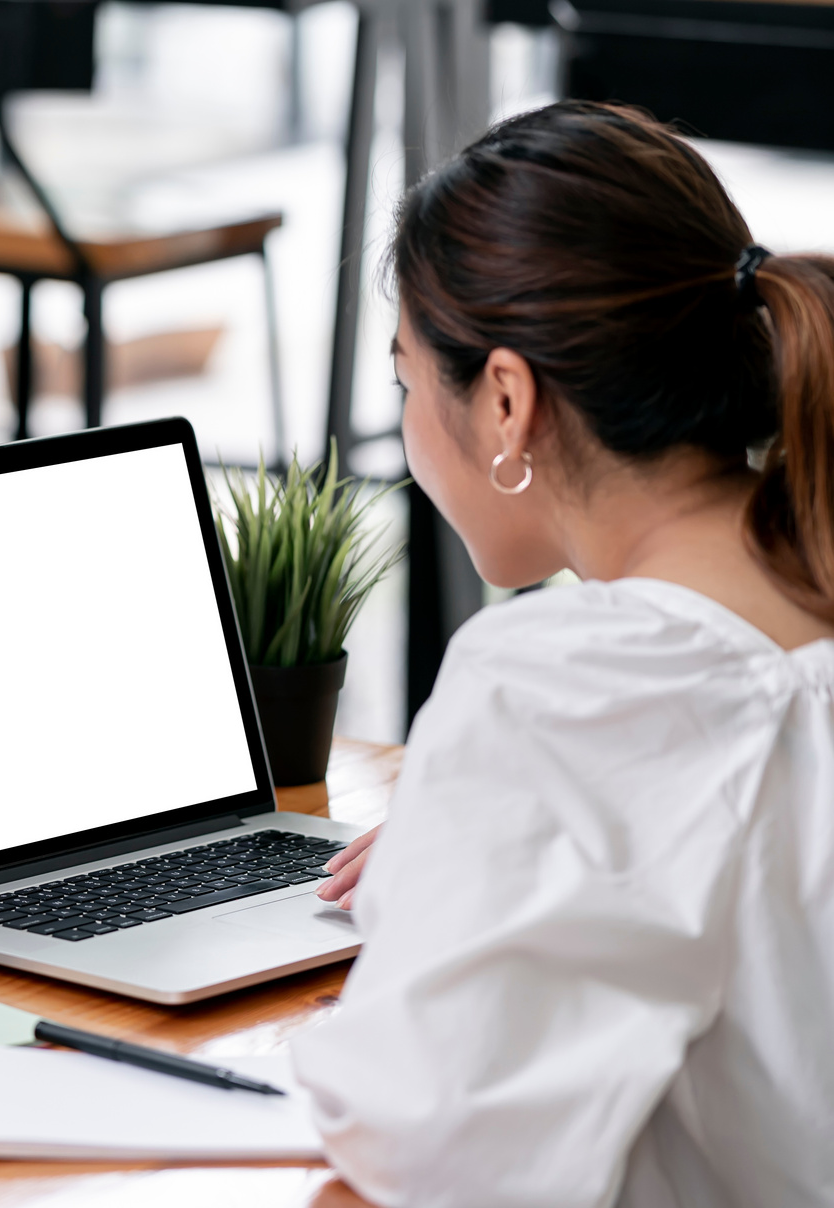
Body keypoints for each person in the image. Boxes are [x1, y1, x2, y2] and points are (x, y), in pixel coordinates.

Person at [289, 101, 834, 1208]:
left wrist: (463, 869)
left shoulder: (564, 688)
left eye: (405, 382)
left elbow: (423, 1145)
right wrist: (491, 841)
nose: (406, 424)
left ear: (505, 399)